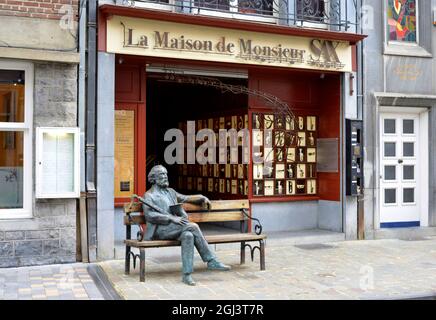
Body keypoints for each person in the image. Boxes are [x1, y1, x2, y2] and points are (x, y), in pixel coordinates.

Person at [141, 165, 231, 286]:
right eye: (162, 174)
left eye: (166, 174)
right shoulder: (149, 195)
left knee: (188, 235)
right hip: (160, 230)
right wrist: (171, 218)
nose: (165, 177)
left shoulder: (170, 192)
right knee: (192, 227)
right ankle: (211, 260)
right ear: (154, 178)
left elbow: (187, 198)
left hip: (174, 229)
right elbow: (149, 215)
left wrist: (202, 197)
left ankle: (186, 275)